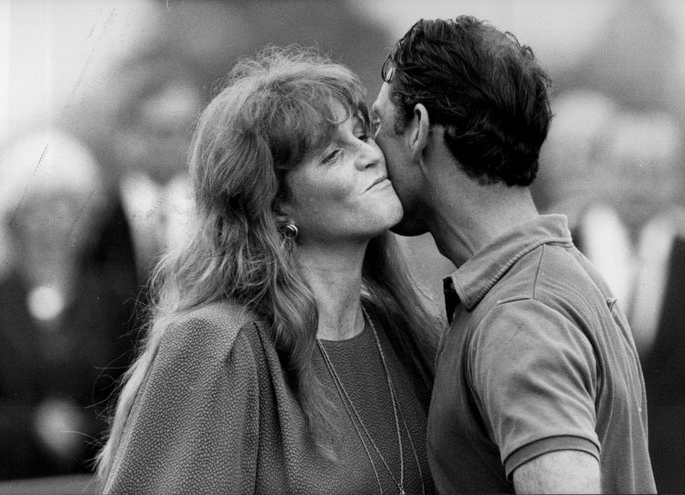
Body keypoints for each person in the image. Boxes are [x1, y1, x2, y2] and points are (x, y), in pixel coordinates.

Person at [96, 47, 439, 494]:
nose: (371, 156)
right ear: (275, 205)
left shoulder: (400, 331)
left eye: (362, 134)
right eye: (332, 155)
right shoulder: (217, 346)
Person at [371, 16, 656, 493]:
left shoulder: (520, 315)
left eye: (378, 123)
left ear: (418, 128)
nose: (369, 151)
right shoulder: (553, 275)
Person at [541, 90, 685, 493]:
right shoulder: (558, 256)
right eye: (628, 168)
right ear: (598, 168)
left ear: (679, 178)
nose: (641, 184)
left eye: (657, 171)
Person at [0, 130, 139, 483]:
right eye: (36, 208)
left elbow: (132, 395)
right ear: (12, 219)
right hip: (0, 483)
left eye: (65, 207)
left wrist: (80, 427)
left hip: (93, 480)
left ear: (87, 220)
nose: (52, 223)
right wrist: (33, 427)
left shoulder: (117, 300)